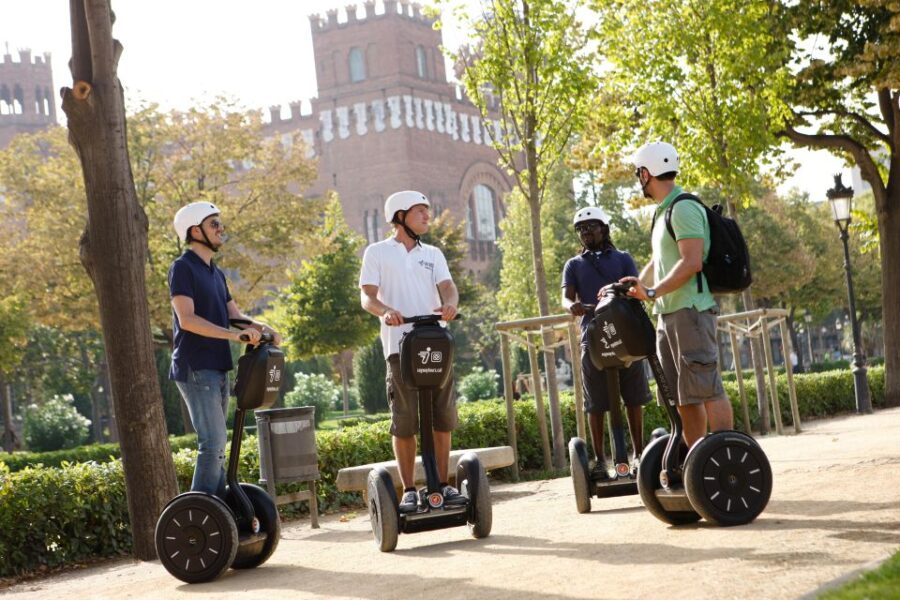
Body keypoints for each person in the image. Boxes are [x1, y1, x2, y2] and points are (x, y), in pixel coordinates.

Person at [620, 141, 733, 449]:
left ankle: (726, 457)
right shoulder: (663, 212)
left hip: (691, 312)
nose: (638, 180)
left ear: (646, 173)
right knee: (682, 397)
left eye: (638, 174)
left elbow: (691, 261)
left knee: (707, 389)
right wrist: (634, 286)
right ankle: (698, 466)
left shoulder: (683, 207)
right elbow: (660, 262)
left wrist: (653, 291)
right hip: (667, 314)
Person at [359, 190, 465, 513]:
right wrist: (384, 311)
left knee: (442, 417)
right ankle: (409, 490)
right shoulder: (377, 253)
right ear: (401, 215)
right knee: (404, 420)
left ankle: (444, 486)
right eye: (421, 211)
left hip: (435, 343)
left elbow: (448, 286)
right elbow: (367, 296)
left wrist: (450, 304)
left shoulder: (433, 254)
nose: (428, 216)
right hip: (399, 346)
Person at [168, 201, 282, 496]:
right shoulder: (182, 268)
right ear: (195, 231)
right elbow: (187, 320)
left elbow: (234, 315)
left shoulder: (215, 273)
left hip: (218, 365)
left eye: (220, 224)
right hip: (195, 366)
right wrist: (234, 338)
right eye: (214, 224)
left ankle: (218, 512)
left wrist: (262, 327)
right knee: (212, 443)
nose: (221, 229)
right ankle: (201, 513)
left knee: (219, 445)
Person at [562, 206, 651, 479]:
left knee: (634, 397)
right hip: (593, 336)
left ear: (604, 228)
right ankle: (601, 460)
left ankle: (638, 454)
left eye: (591, 226)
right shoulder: (574, 265)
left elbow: (635, 288)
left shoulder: (622, 258)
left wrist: (621, 290)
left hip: (626, 334)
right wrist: (572, 306)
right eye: (580, 229)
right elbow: (566, 297)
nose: (585, 232)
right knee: (596, 402)